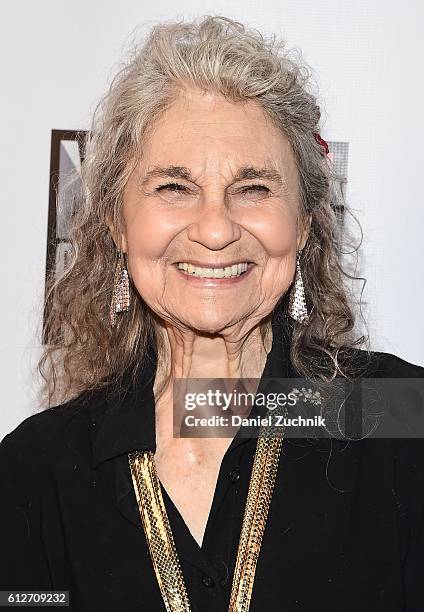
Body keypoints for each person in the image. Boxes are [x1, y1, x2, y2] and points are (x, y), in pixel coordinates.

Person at [1, 14, 423, 612]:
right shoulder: (32, 474)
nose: (217, 229)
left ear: (304, 224)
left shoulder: (400, 417)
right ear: (118, 224)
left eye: (254, 188)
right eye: (174, 187)